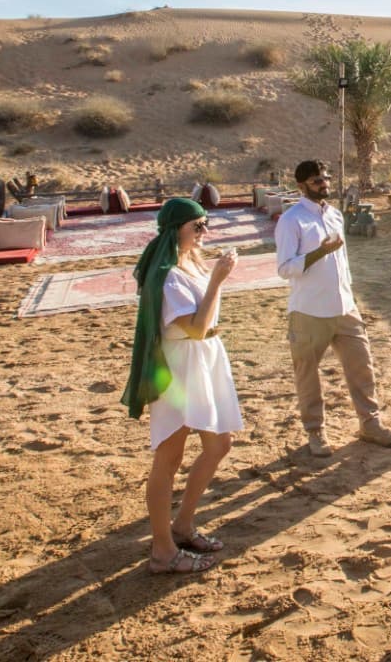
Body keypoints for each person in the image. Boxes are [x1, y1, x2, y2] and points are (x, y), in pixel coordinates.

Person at [121, 197, 242, 574]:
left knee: (219, 444)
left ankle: (183, 525)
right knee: (169, 457)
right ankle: (162, 550)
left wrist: (214, 277)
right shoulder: (169, 275)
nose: (205, 231)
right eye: (197, 226)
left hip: (203, 362)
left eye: (206, 223)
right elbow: (196, 327)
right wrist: (219, 279)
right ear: (176, 230)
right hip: (177, 370)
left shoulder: (192, 263)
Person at [275, 159, 391, 456]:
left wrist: (350, 295)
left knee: (362, 367)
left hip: (345, 307)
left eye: (326, 178)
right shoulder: (291, 220)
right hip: (309, 310)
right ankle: (315, 432)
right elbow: (284, 268)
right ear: (301, 185)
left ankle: (370, 424)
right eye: (317, 180)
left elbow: (341, 263)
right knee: (308, 373)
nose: (324, 184)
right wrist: (319, 251)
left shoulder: (334, 215)